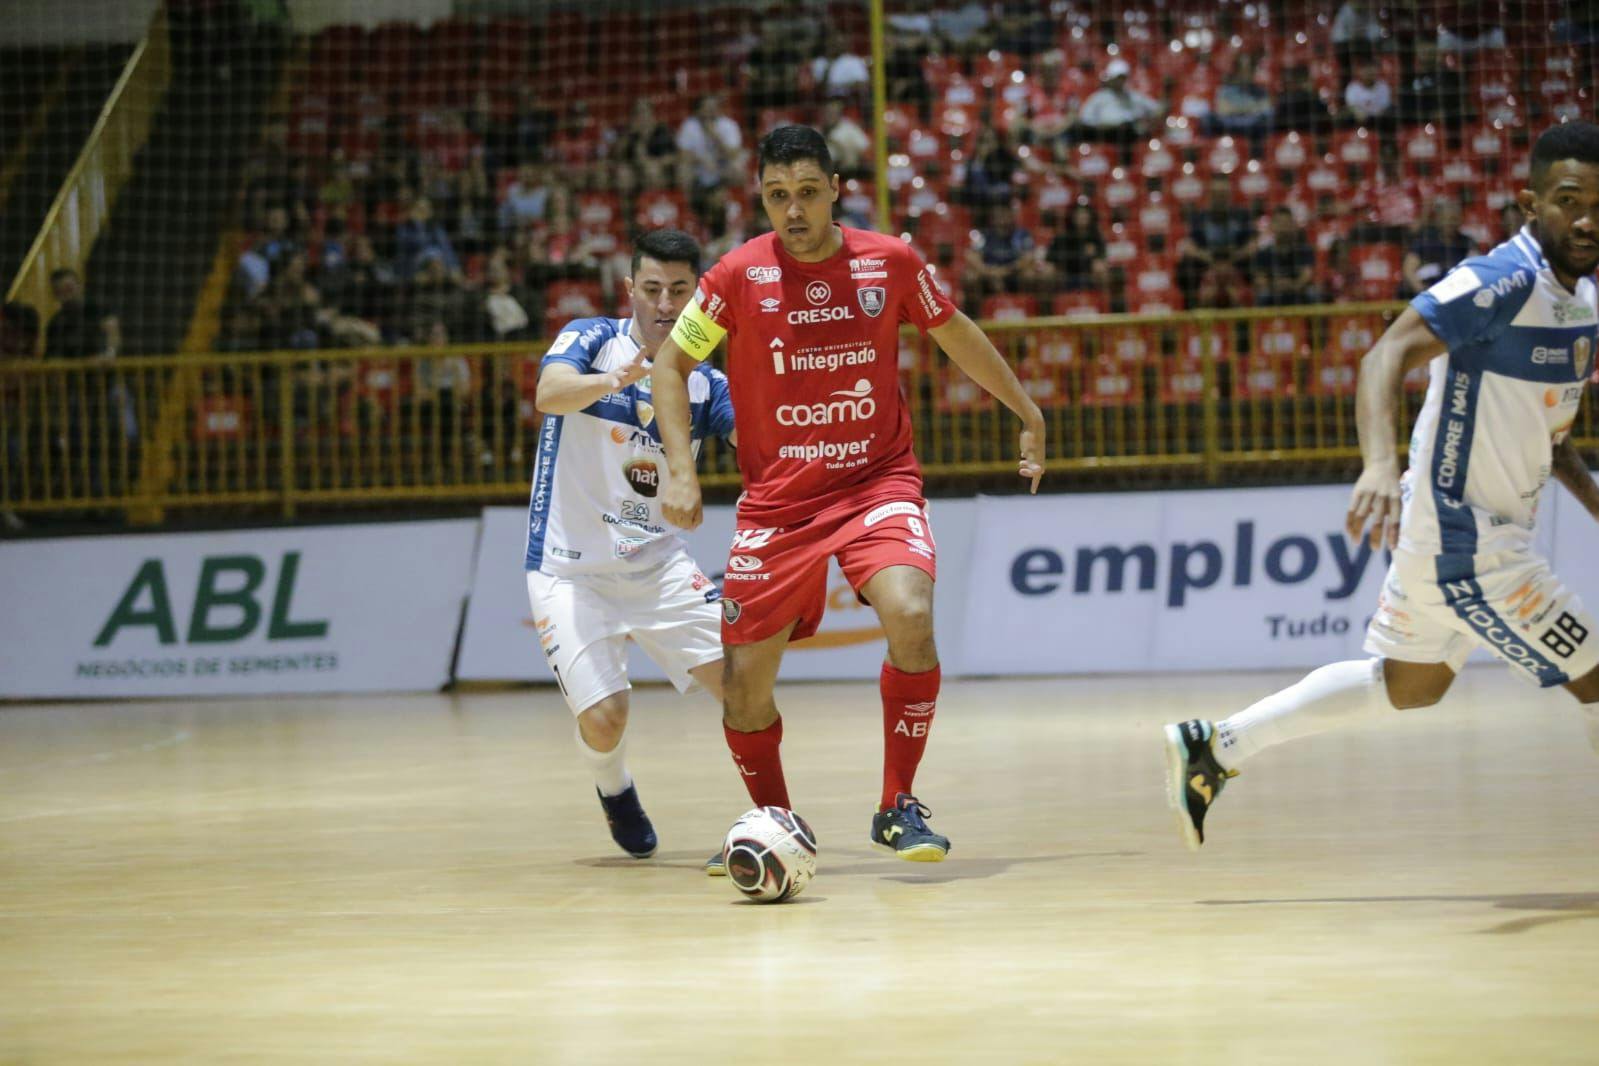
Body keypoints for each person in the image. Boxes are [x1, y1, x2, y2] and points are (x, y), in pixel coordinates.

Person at [1164, 122, 1599, 850]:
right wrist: (1374, 464)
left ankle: (1217, 747)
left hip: (1472, 534)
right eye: (1568, 200)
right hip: (1467, 539)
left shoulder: (1578, 302)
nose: (1586, 219)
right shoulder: (1501, 279)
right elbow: (1385, 352)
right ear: (1530, 203)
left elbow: (1550, 438)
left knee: (1411, 686)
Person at [650, 126, 1045, 863]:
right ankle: (773, 820)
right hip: (778, 502)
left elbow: (951, 329)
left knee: (912, 614)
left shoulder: (888, 261)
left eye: (805, 192)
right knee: (741, 687)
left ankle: (898, 804)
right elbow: (669, 366)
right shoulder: (734, 277)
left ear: (835, 188)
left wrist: (1025, 410)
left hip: (875, 482)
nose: (791, 210)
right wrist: (681, 466)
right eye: (776, 196)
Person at [526, 228, 737, 863]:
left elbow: (758, 443)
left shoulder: (706, 381)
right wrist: (612, 382)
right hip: (568, 571)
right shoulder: (593, 338)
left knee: (742, 687)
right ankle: (613, 787)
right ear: (630, 290)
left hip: (659, 564)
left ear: (697, 293)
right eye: (652, 290)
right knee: (606, 717)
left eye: (679, 290)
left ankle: (769, 814)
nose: (666, 304)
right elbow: (547, 393)